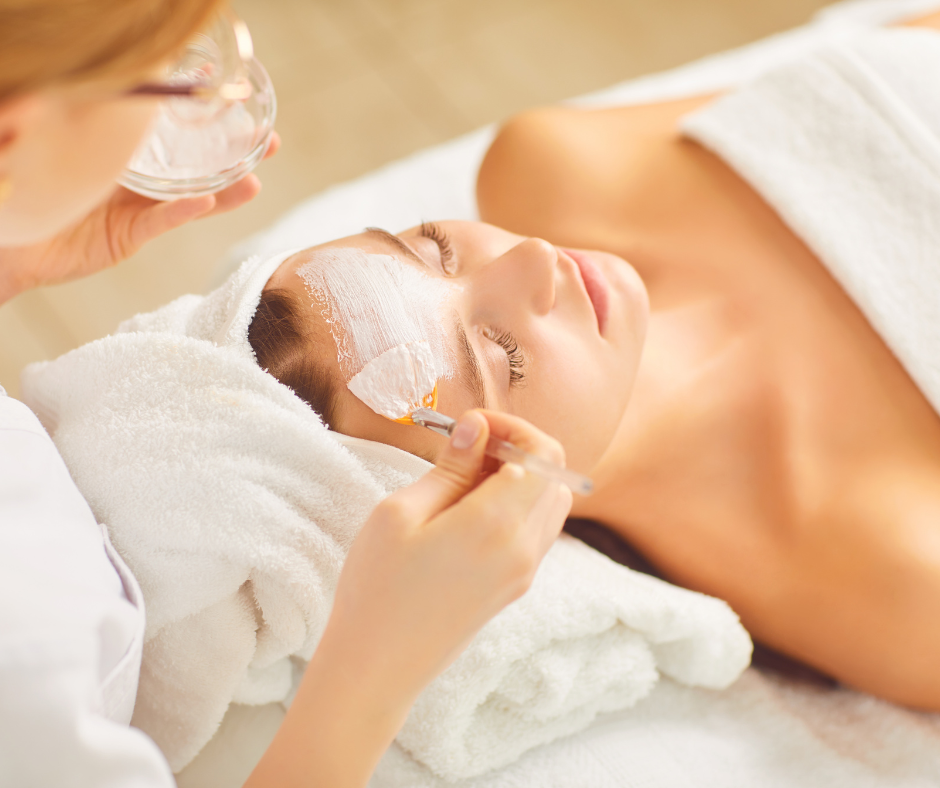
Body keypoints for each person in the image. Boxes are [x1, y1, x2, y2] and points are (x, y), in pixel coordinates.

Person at [246, 10, 940, 715]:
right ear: (492, 487)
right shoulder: (893, 577)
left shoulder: (551, 162)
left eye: (433, 249)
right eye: (497, 351)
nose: (534, 258)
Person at [0, 2, 572, 787]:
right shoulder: (25, 650)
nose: (538, 254)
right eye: (155, 77)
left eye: (431, 244)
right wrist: (373, 673)